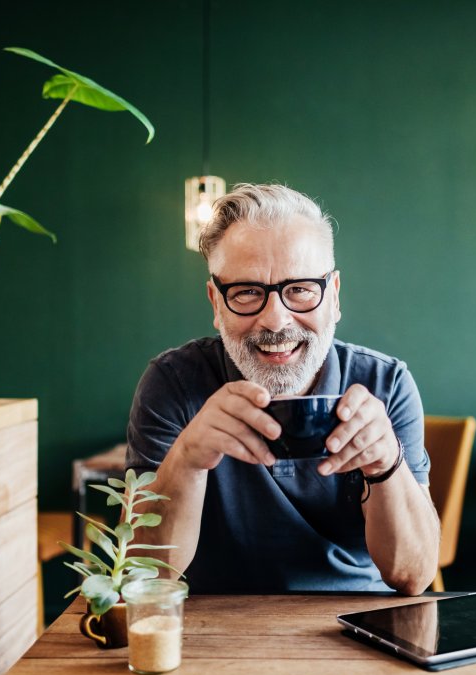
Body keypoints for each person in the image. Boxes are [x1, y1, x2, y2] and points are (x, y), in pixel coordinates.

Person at [126, 184, 440, 595]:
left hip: (358, 622)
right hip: (213, 626)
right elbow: (144, 575)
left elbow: (414, 576)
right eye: (247, 293)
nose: (276, 320)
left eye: (300, 290)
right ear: (215, 304)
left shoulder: (385, 383)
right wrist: (186, 460)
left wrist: (387, 464)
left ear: (334, 296)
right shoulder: (174, 383)